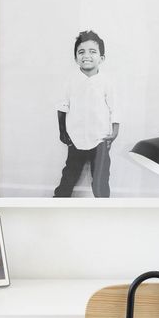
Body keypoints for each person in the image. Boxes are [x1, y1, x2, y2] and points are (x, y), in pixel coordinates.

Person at [53, 30, 120, 198]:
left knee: (101, 178)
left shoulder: (106, 82)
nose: (86, 56)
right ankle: (57, 203)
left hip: (100, 139)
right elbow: (62, 107)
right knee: (69, 174)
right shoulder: (70, 82)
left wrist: (114, 132)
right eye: (81, 52)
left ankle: (103, 207)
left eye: (92, 52)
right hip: (75, 138)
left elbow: (115, 108)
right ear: (76, 58)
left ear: (101, 58)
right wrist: (62, 132)